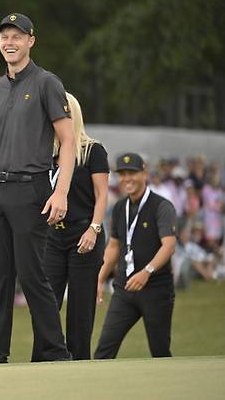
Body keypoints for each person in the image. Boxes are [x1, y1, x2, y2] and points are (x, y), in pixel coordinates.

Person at [0, 12, 75, 363]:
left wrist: (62, 192)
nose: (9, 43)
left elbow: (68, 143)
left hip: (32, 190)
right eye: (4, 37)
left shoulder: (47, 83)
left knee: (32, 277)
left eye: (16, 36)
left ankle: (55, 354)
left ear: (31, 41)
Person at [38, 92, 109, 360]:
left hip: (83, 233)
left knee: (80, 307)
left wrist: (95, 228)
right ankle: (43, 358)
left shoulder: (92, 150)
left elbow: (102, 195)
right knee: (46, 304)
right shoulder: (46, 155)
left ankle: (78, 362)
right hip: (51, 237)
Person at [94, 152, 177, 359]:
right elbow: (113, 247)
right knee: (103, 351)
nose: (126, 178)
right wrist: (100, 277)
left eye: (132, 173)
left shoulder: (161, 206)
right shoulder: (120, 208)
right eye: (122, 174)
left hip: (156, 289)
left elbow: (169, 246)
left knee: (159, 351)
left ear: (144, 173)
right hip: (125, 289)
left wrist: (146, 272)